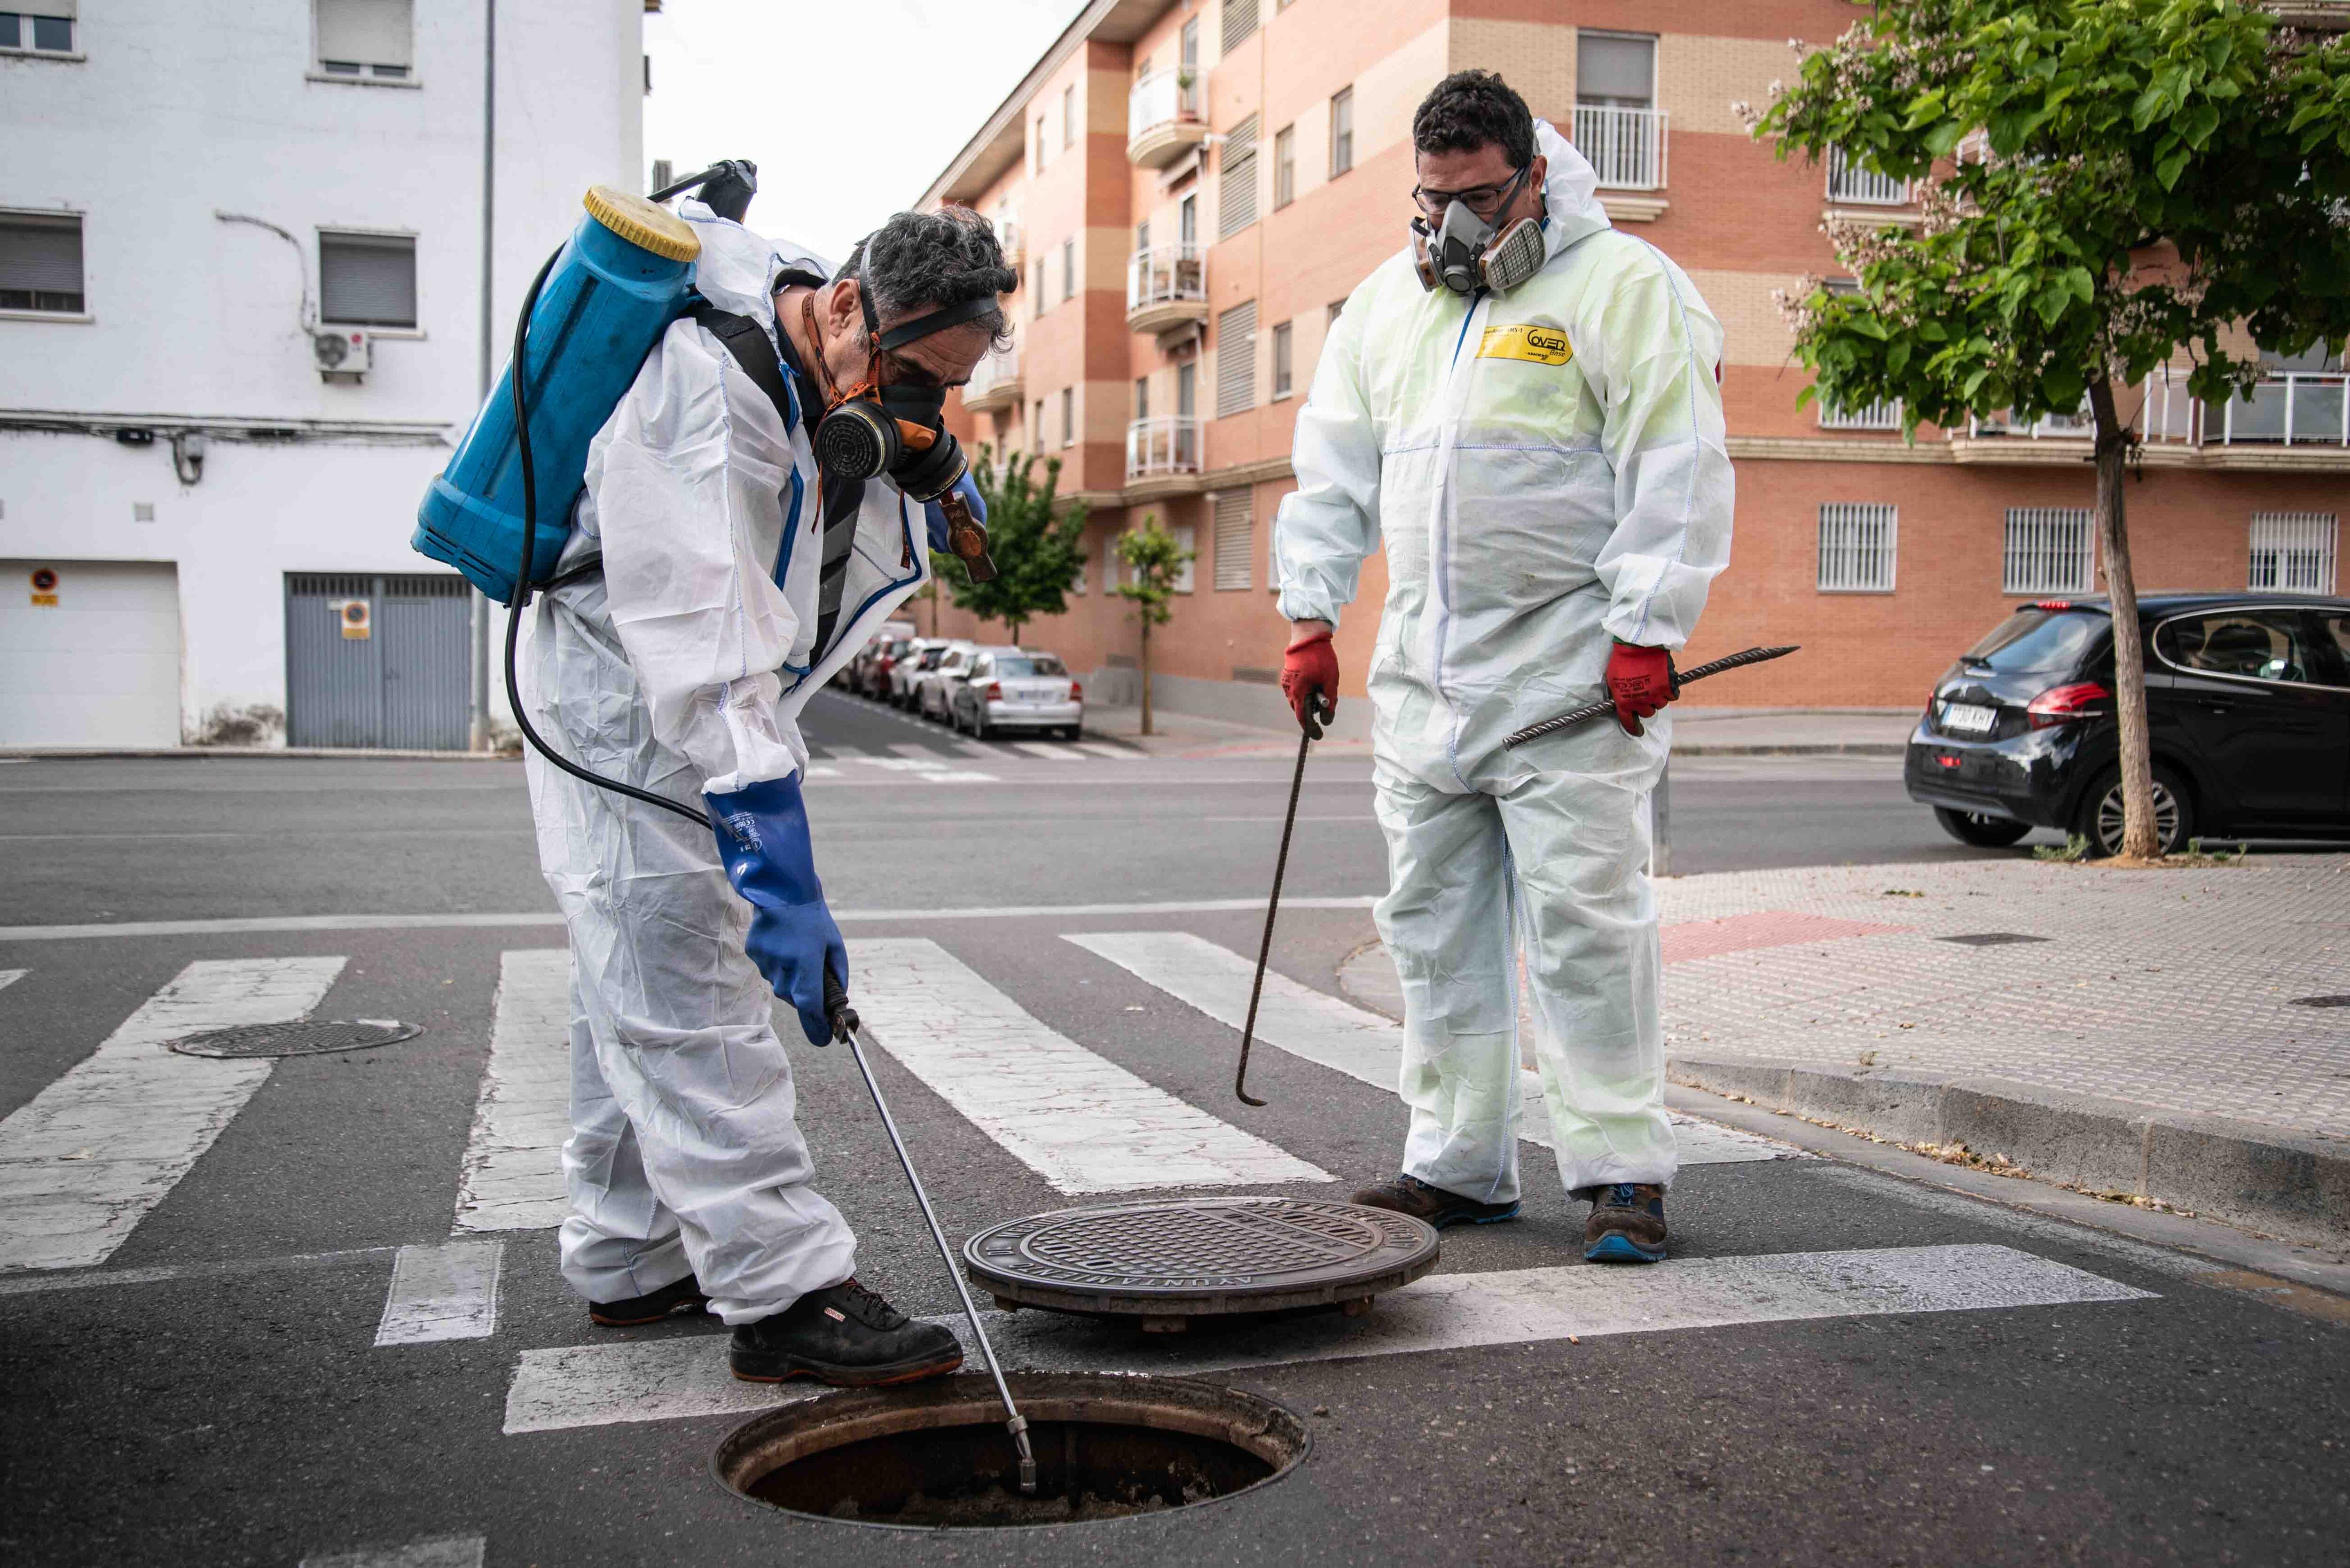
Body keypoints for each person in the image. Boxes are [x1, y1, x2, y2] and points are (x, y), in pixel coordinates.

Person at [522, 203, 1010, 1381]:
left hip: (710, 694)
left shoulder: (824, 372)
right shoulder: (708, 393)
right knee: (683, 969)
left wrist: (935, 470)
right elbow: (705, 646)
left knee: (630, 979)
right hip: (627, 698)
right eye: (911, 376)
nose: (916, 410)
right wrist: (773, 857)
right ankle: (785, 1287)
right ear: (844, 304)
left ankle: (631, 1255)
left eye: (945, 390)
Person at [1273, 71, 1733, 1263]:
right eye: (1432, 201)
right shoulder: (1388, 304)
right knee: (1431, 931)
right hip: (1426, 692)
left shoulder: (1625, 287)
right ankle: (1460, 1164)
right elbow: (1332, 470)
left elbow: (1675, 465)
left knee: (1586, 931)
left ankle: (1622, 1170)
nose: (1453, 226)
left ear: (1533, 172)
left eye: (1477, 196)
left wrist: (1646, 626)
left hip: (1569, 684)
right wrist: (1309, 616)